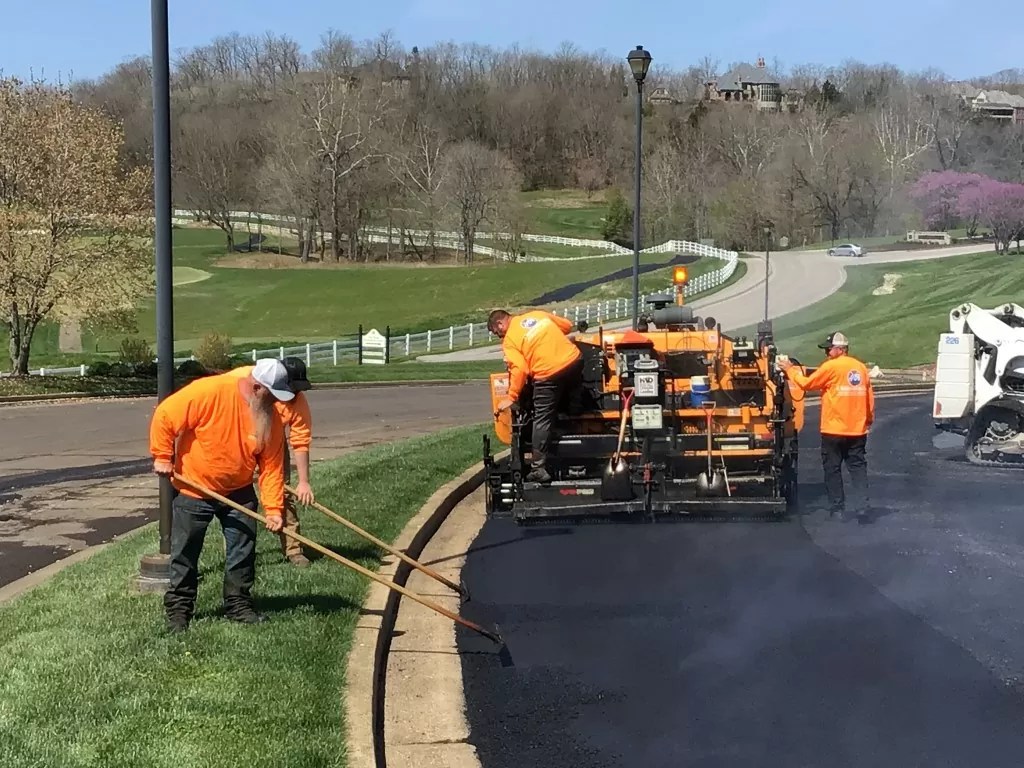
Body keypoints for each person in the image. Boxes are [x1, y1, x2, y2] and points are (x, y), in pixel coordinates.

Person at [149, 358, 291, 632]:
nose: (277, 402)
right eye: (273, 395)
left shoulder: (270, 414)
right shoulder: (210, 391)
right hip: (194, 488)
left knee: (243, 551)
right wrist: (163, 456)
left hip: (238, 492)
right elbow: (165, 416)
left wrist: (273, 509)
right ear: (258, 388)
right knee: (185, 554)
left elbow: (272, 466)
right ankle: (179, 612)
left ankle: (238, 606)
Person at [226, 356, 315, 566]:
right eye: (290, 387)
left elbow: (300, 440)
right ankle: (236, 554)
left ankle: (294, 549)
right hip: (239, 434)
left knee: (282, 493)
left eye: (297, 389)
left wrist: (303, 482)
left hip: (273, 440)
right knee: (236, 493)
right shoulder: (246, 380)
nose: (293, 393)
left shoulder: (297, 401)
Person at [778, 331, 874, 521]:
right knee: (857, 468)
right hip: (857, 429)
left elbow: (806, 383)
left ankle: (837, 509)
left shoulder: (830, 367)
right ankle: (863, 507)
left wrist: (790, 369)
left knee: (832, 469)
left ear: (840, 349)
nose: (826, 354)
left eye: (828, 350)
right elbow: (869, 399)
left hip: (833, 430)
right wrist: (867, 420)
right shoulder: (861, 368)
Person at [487, 308, 583, 484]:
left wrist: (512, 396)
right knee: (573, 387)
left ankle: (538, 468)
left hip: (548, 374)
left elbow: (520, 369)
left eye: (497, 332)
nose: (499, 336)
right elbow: (567, 326)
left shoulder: (510, 341)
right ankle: (574, 411)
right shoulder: (536, 315)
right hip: (574, 361)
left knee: (542, 419)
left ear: (500, 323)